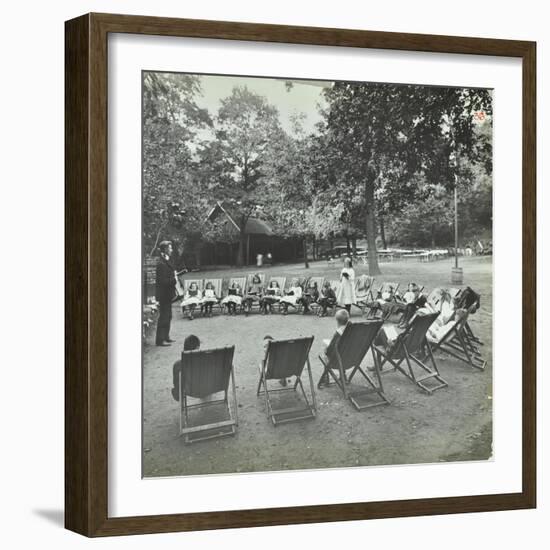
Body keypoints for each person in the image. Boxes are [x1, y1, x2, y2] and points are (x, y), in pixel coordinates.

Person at [318, 309, 350, 387]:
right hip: (351, 358)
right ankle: (343, 376)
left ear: (337, 321)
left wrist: (326, 350)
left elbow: (330, 349)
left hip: (338, 361)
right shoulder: (351, 330)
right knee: (343, 350)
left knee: (326, 354)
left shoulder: (339, 333)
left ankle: (326, 378)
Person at [155, 241, 177, 346]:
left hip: (167, 294)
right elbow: (163, 281)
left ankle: (166, 337)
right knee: (164, 316)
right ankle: (160, 340)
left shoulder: (166, 261)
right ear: (165, 250)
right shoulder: (161, 263)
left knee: (168, 316)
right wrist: (174, 279)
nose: (172, 250)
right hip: (163, 295)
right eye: (170, 248)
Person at [171, 335, 201, 401]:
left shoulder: (178, 365)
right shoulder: (206, 361)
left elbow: (176, 383)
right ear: (197, 348)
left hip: (189, 390)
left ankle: (178, 393)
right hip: (207, 388)